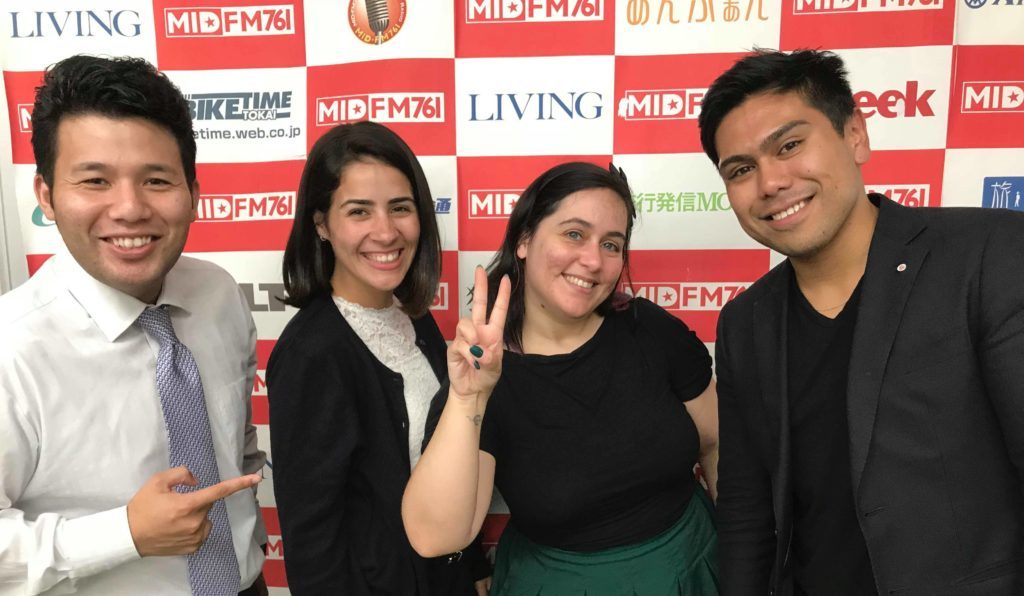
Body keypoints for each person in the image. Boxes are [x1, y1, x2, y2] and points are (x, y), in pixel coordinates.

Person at [698, 49, 1024, 595]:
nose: (770, 182)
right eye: (741, 170)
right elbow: (747, 512)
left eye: (789, 145)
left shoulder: (988, 255)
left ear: (855, 135)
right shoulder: (744, 323)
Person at [0, 55, 268, 595]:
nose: (129, 208)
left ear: (193, 193)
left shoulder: (219, 295)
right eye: (95, 180)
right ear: (46, 195)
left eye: (156, 180)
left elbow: (235, 446)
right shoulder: (13, 349)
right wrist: (125, 533)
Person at [403, 162, 720, 595]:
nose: (593, 260)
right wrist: (467, 399)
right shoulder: (484, 375)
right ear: (524, 240)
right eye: (574, 234)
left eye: (611, 244)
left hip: (694, 566)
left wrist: (745, 551)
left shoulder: (649, 329)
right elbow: (436, 536)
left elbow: (715, 443)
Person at [266, 121, 490, 594]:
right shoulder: (311, 354)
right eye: (359, 211)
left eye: (400, 208)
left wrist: (472, 569)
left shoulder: (416, 319)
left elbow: (447, 462)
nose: (386, 232)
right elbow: (312, 543)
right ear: (321, 224)